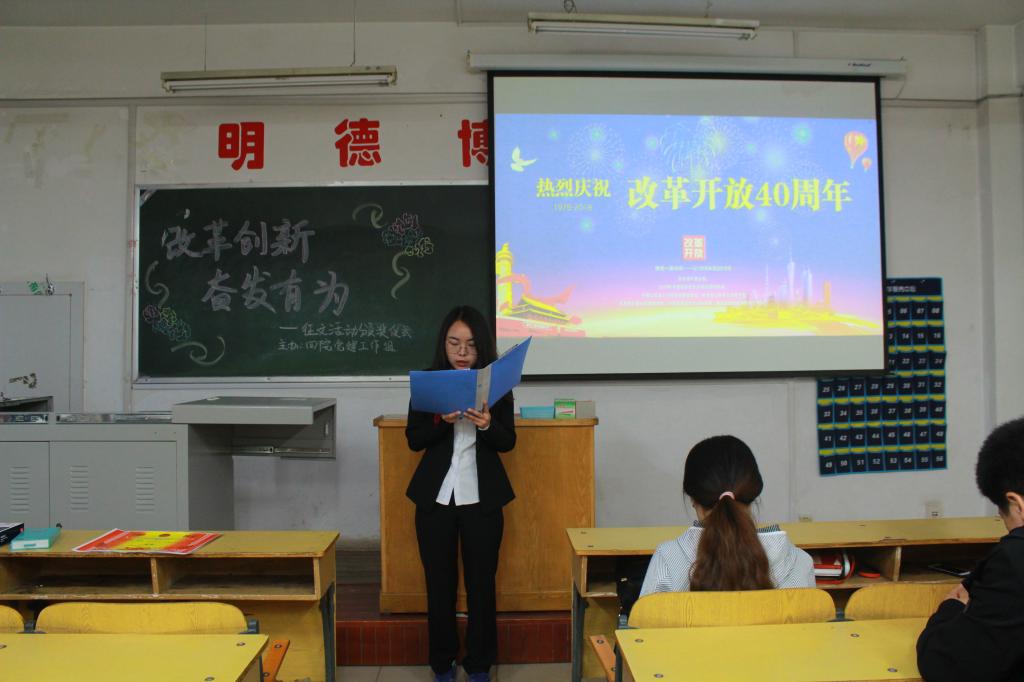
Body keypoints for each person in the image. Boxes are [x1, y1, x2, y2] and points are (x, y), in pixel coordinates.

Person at [405, 305, 516, 682]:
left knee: (482, 586)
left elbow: (508, 442)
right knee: (439, 585)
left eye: (470, 344)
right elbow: (414, 439)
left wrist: (486, 425)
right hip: (435, 500)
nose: (462, 351)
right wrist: (442, 420)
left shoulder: (498, 386)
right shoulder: (428, 383)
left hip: (482, 501)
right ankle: (443, 664)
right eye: (454, 343)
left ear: (481, 346)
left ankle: (480, 664)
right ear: (444, 344)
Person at [916, 417, 1024, 681]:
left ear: (1017, 504)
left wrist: (951, 608)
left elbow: (946, 666)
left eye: (1003, 517)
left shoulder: (1014, 560)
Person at [640, 435, 814, 596]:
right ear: (753, 494)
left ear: (692, 499)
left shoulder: (667, 558)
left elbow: (645, 619)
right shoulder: (800, 562)